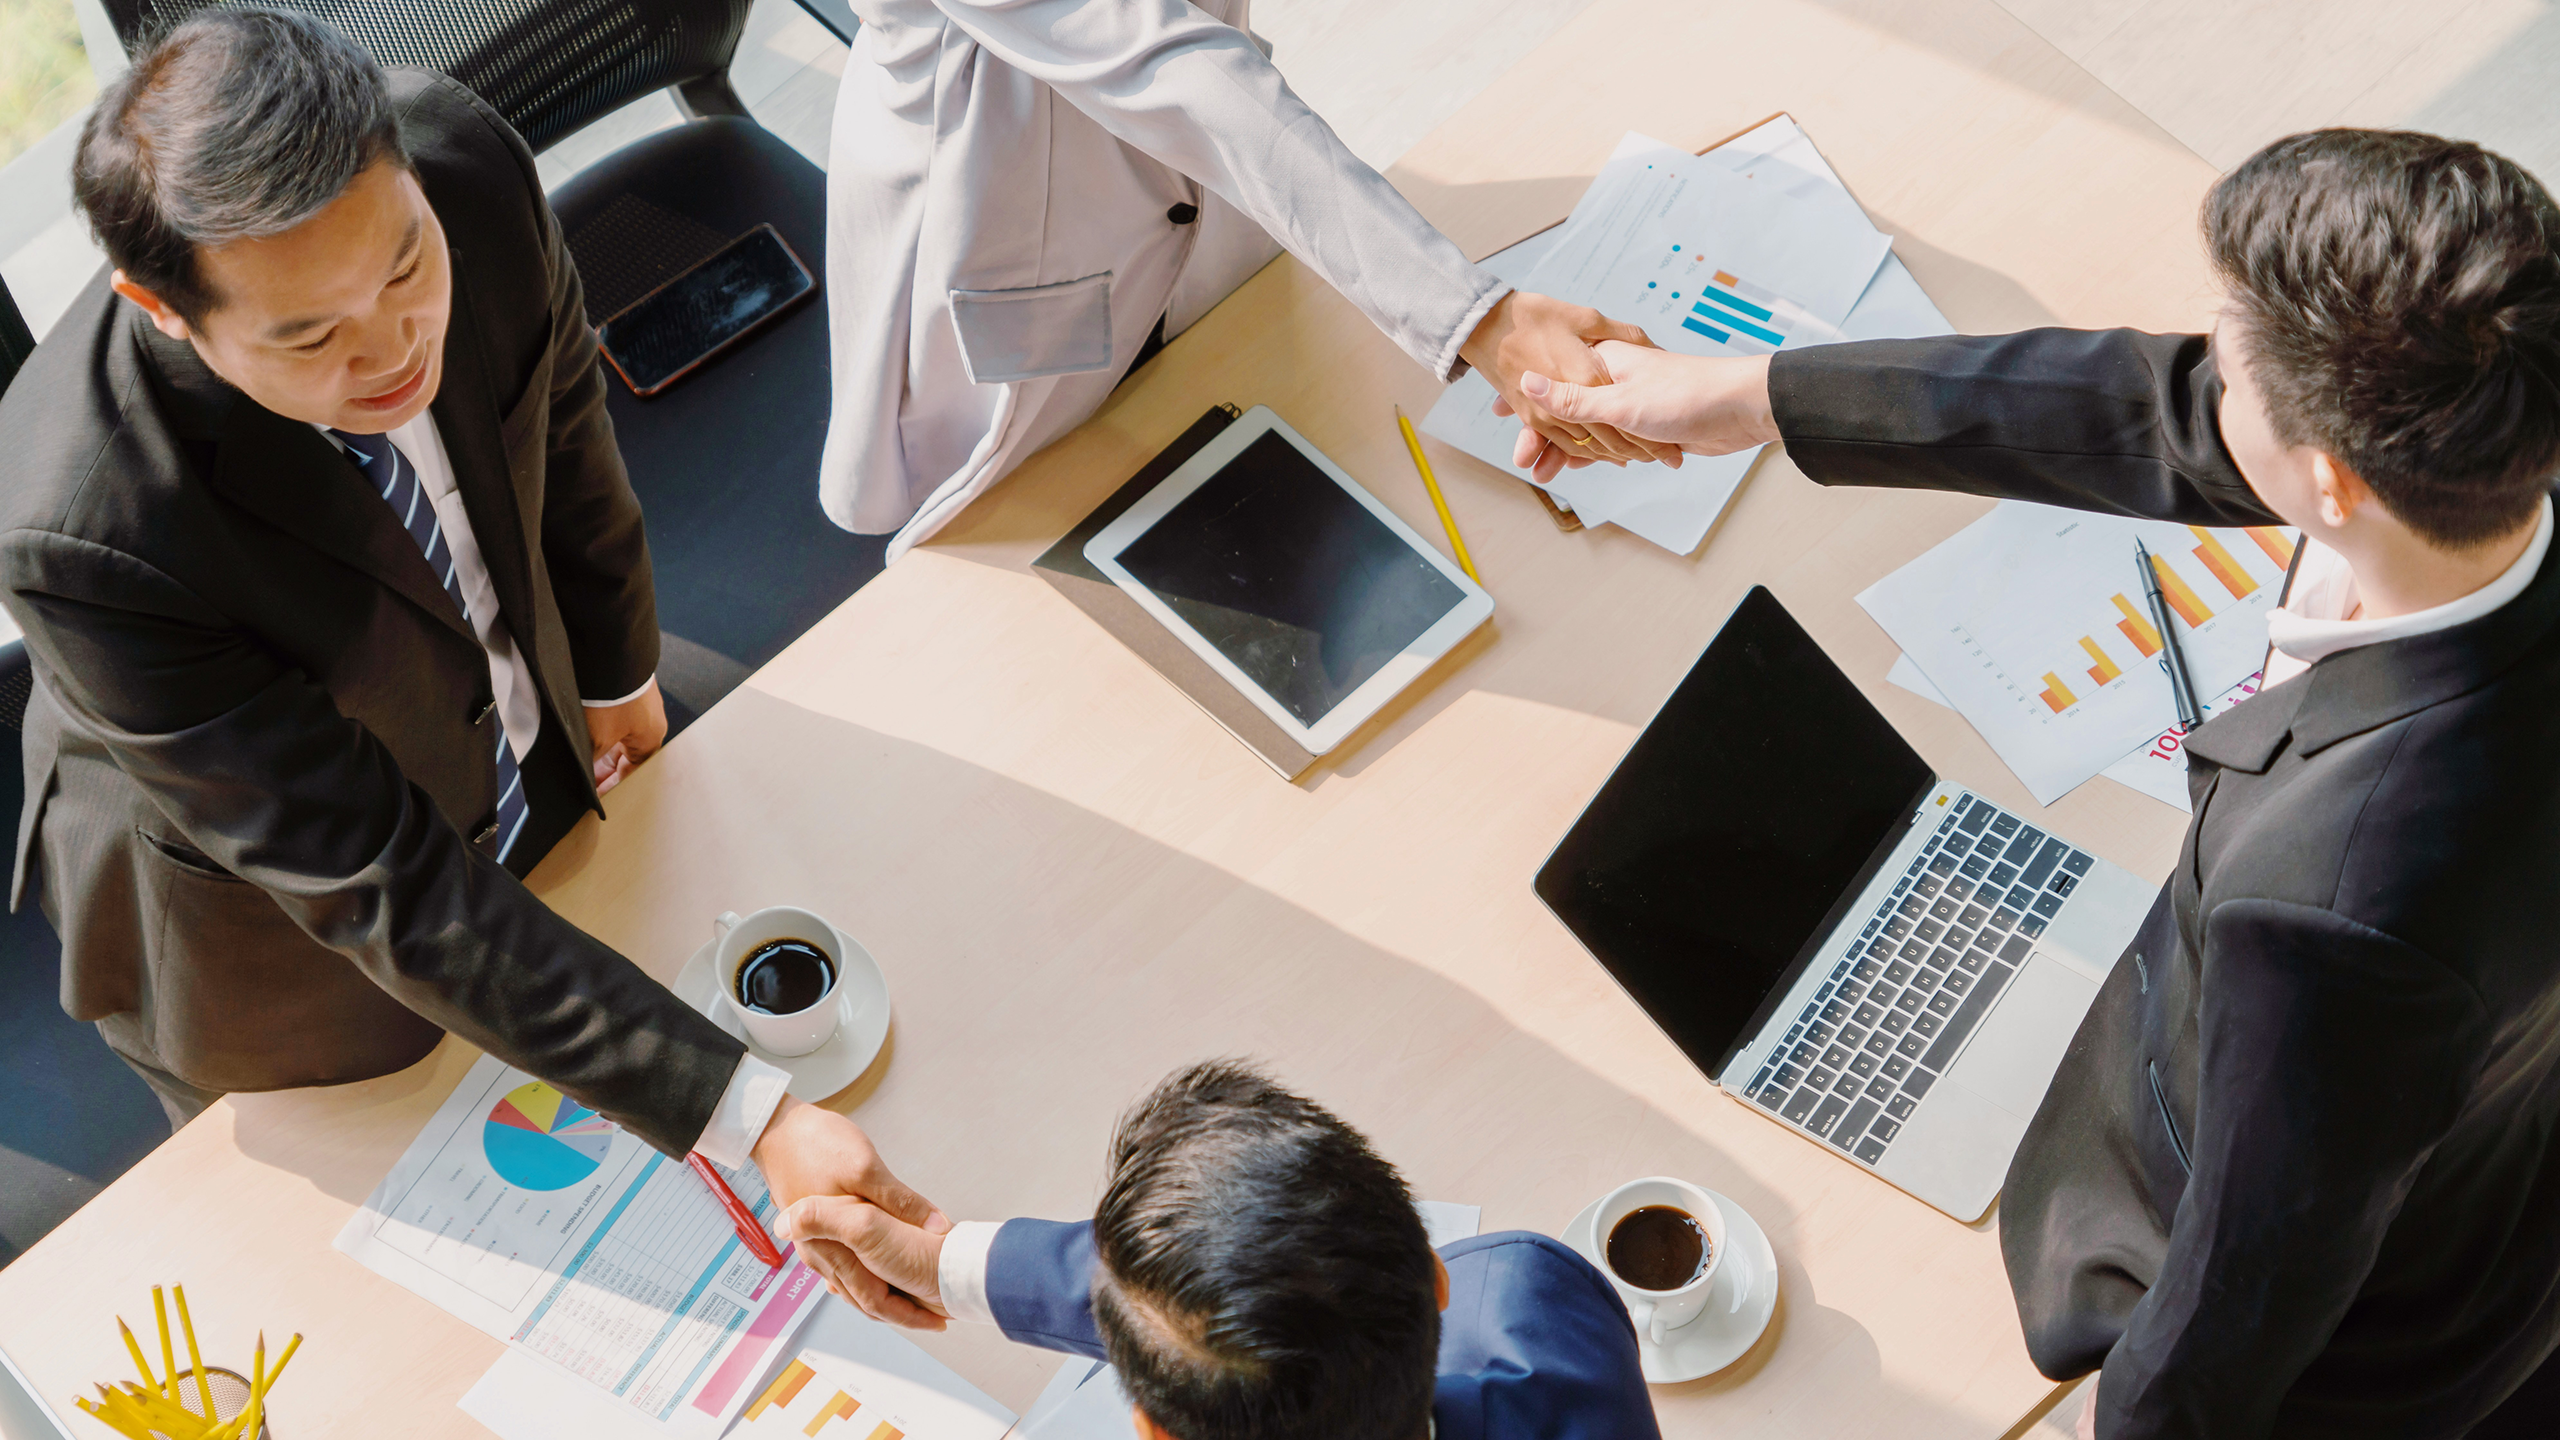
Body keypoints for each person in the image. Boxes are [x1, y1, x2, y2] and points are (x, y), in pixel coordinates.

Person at [1500, 128, 2560, 1438]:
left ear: (2330, 480)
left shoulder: (2335, 911)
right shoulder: (2482, 435)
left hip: (2358, 1308)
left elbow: (2243, 1294)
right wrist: (1744, 398)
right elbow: (2158, 407)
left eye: (2232, 364)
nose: (2203, 368)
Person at [0, 9, 932, 1229]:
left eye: (404, 270)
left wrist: (614, 675)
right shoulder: (82, 531)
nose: (395, 350)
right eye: (311, 336)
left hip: (510, 734)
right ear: (165, 309)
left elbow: (560, 415)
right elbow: (377, 878)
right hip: (285, 938)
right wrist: (745, 1115)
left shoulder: (459, 161)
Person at [818, 0, 1667, 560]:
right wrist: (1478, 321)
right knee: (1034, 545)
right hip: (1019, 244)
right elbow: (1165, 61)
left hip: (1204, 216)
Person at [775, 1061, 1658, 1440]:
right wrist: (951, 1266)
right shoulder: (1535, 1312)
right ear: (1435, 1273)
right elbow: (1230, 1306)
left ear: (1153, 1431)